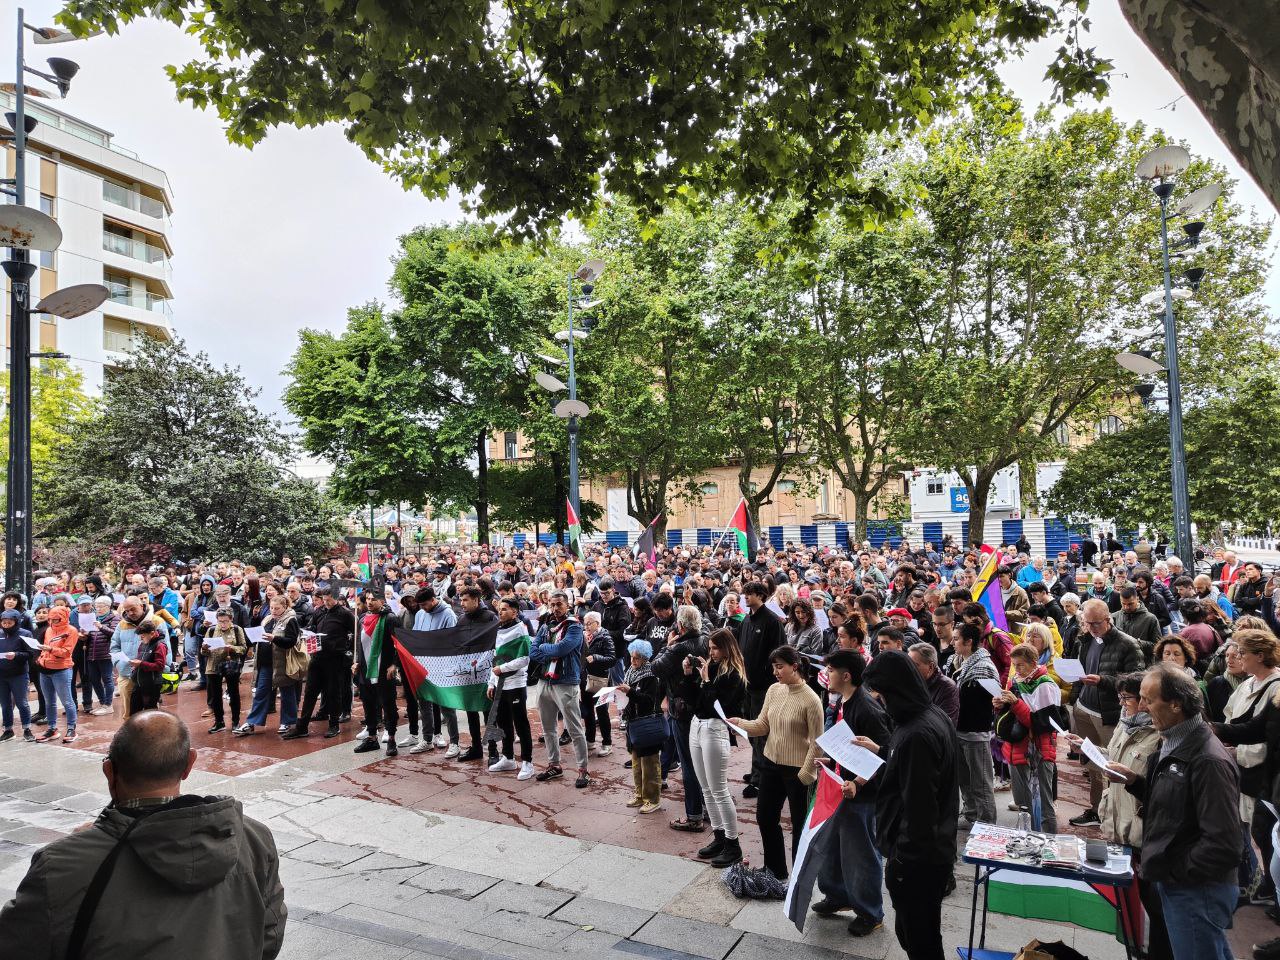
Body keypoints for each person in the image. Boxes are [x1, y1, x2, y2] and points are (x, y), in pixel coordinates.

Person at [0, 711, 286, 958]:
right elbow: (268, 936)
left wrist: (86, 847)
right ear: (189, 764)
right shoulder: (252, 838)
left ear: (109, 771)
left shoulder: (61, 864)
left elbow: (17, 946)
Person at [1106, 665, 1241, 960]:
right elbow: (1174, 806)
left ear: (1176, 705)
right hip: (1179, 883)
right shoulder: (1172, 742)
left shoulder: (1207, 760)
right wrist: (1135, 782)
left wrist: (1175, 871)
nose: (1141, 706)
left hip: (1196, 889)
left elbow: (1224, 844)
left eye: (1148, 700)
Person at [859, 650, 959, 960]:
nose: (880, 701)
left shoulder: (917, 733)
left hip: (918, 861)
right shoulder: (928, 716)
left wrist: (902, 860)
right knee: (922, 934)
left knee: (918, 938)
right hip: (931, 852)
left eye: (882, 694)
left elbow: (919, 807)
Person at [1066, 672, 1168, 958]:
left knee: (1152, 909)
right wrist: (1086, 749)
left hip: (1141, 829)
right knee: (1131, 905)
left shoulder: (1160, 736)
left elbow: (1156, 787)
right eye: (1120, 698)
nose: (1123, 704)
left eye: (1129, 699)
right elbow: (1111, 759)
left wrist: (1133, 779)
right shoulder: (1126, 725)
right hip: (1117, 823)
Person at [810, 649, 890, 937]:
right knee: (831, 846)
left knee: (861, 854)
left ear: (846, 676)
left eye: (831, 670)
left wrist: (857, 782)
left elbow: (882, 755)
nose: (826, 675)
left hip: (860, 794)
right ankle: (838, 896)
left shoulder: (868, 708)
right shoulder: (841, 701)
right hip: (839, 785)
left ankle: (870, 912)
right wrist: (831, 761)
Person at [728, 646, 823, 881]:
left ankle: (799, 877)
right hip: (770, 763)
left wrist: (805, 774)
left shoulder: (811, 699)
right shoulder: (774, 690)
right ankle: (775, 869)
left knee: (799, 826)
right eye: (774, 667)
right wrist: (738, 722)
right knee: (765, 817)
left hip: (796, 770)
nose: (775, 672)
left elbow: (817, 742)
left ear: (795, 666)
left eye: (780, 667)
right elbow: (762, 725)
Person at [1068, 598, 1144, 828]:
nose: (1091, 628)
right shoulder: (1086, 639)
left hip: (1109, 713)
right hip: (1084, 707)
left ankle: (1115, 814)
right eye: (1087, 623)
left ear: (1108, 620)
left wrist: (1103, 681)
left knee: (1112, 765)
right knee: (1091, 763)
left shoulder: (1128, 644)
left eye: (1096, 624)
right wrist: (1076, 696)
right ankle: (1095, 809)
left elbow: (1135, 681)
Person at [682, 627, 748, 867]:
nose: (711, 652)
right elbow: (694, 702)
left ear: (726, 648)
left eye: (715, 648)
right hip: (697, 725)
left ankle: (733, 843)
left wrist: (706, 681)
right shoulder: (712, 667)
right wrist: (690, 676)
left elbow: (717, 706)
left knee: (719, 789)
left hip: (715, 729)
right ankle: (719, 837)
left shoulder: (734, 675)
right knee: (706, 788)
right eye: (709, 648)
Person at [995, 643, 1061, 832]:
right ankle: (1027, 840)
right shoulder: (1017, 680)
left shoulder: (1046, 685)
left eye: (1021, 665)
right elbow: (1011, 715)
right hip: (1017, 748)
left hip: (1039, 749)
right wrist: (1000, 705)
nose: (1017, 669)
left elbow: (1041, 724)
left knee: (1045, 803)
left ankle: (1050, 845)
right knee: (1023, 804)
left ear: (1034, 663)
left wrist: (1015, 703)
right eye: (1015, 665)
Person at [529, 591, 591, 787]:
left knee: (574, 728)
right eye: (552, 604)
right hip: (544, 681)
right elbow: (532, 651)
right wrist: (549, 652)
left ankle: (583, 770)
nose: (555, 608)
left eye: (559, 604)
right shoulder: (546, 625)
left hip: (565, 682)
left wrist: (546, 649)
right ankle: (554, 765)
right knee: (548, 728)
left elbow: (560, 649)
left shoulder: (574, 627)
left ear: (567, 605)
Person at [947, 622, 999, 827]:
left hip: (976, 733)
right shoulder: (958, 661)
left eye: (956, 639)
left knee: (981, 783)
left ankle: (986, 823)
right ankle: (970, 815)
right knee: (965, 781)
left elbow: (989, 701)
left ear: (969, 642)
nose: (952, 643)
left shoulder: (984, 668)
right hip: (960, 730)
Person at [738, 581, 785, 799]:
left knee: (761, 732)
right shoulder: (747, 619)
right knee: (750, 730)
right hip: (747, 685)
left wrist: (769, 678)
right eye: (744, 594)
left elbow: (777, 654)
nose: (745, 597)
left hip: (764, 687)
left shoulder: (771, 621)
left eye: (750, 594)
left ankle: (760, 778)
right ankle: (757, 769)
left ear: (761, 595)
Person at [290, 587, 355, 740]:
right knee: (310, 692)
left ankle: (334, 724)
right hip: (317, 656)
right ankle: (302, 726)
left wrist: (349, 653)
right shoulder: (319, 611)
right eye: (324, 600)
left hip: (335, 658)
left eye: (328, 600)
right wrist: (307, 632)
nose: (326, 603)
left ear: (336, 598)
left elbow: (355, 633)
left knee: (333, 692)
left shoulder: (345, 613)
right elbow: (311, 626)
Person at [486, 596, 534, 779]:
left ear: (515, 612)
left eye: (505, 609)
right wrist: (492, 681)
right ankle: (508, 757)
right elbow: (495, 657)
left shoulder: (520, 630)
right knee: (503, 722)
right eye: (500, 608)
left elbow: (524, 659)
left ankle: (528, 763)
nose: (500, 611)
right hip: (500, 685)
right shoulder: (498, 630)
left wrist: (502, 669)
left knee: (521, 724)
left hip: (516, 684)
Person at [618, 639, 665, 814]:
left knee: (650, 763)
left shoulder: (650, 675)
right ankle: (640, 794)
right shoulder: (631, 671)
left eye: (636, 658)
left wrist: (629, 692)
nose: (633, 661)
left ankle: (652, 799)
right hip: (634, 722)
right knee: (636, 761)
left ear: (645, 658)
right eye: (631, 657)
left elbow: (648, 700)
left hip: (647, 723)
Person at [353, 590, 401, 756]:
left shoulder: (390, 618)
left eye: (374, 599)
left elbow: (400, 644)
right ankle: (372, 737)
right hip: (366, 668)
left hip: (383, 668)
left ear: (382, 600)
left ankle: (392, 738)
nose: (370, 602)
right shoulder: (362, 618)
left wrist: (394, 664)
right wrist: (358, 661)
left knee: (388, 704)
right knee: (368, 702)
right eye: (367, 599)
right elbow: (360, 643)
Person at [37, 606, 80, 743]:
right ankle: (52, 728)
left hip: (61, 669)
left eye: (57, 619)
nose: (54, 622)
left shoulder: (71, 630)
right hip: (45, 669)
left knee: (67, 701)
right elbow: (45, 646)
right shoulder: (49, 629)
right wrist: (41, 657)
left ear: (64, 617)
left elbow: (67, 652)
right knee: (49, 702)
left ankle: (71, 728)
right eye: (52, 619)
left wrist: (50, 649)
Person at [201, 608, 247, 733]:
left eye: (226, 621)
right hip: (213, 665)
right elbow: (203, 651)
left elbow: (243, 648)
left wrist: (231, 648)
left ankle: (235, 721)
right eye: (220, 621)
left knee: (233, 693)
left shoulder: (237, 630)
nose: (223, 624)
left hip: (230, 665)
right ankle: (219, 721)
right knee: (215, 695)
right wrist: (205, 648)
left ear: (231, 620)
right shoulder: (211, 630)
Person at [0, 609, 35, 742]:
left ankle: (27, 729)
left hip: (18, 675)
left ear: (16, 622)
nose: (6, 625)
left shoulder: (25, 634)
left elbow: (30, 653)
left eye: (9, 623)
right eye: (4, 623)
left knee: (22, 703)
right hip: (2, 675)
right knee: (5, 704)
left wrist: (16, 655)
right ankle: (8, 730)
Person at [907, 642, 959, 724]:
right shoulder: (908, 682)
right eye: (908, 664)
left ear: (930, 667)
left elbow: (947, 725)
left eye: (914, 665)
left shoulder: (947, 687)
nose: (909, 669)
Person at [127, 620, 168, 716]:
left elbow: (160, 666)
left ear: (152, 633)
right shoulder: (143, 643)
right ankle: (135, 731)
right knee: (134, 713)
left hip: (151, 685)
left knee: (149, 714)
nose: (141, 637)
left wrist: (140, 664)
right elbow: (140, 659)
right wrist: (135, 666)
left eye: (143, 635)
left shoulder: (160, 645)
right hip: (138, 683)